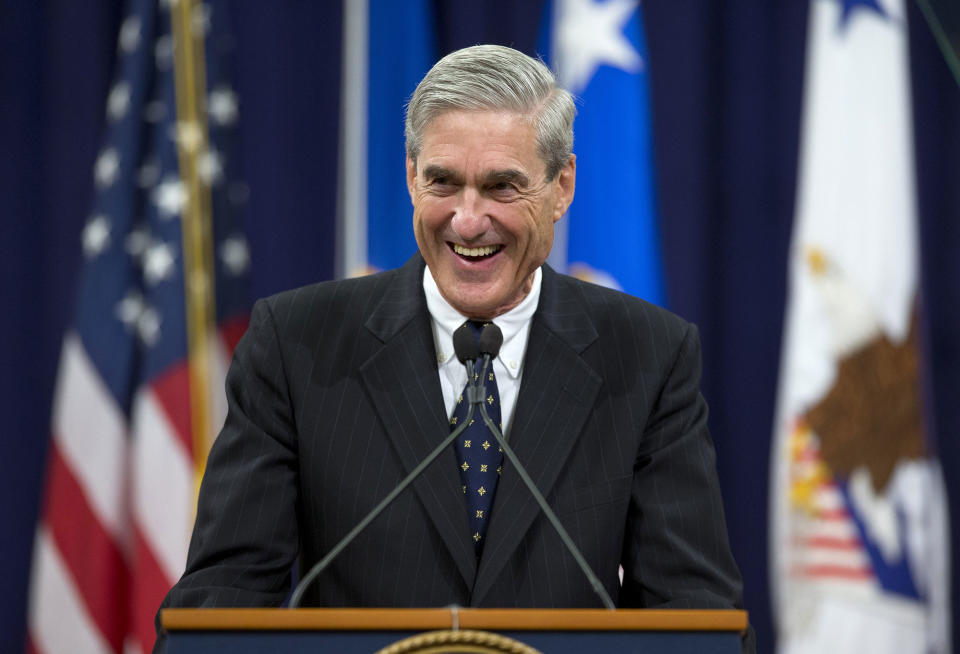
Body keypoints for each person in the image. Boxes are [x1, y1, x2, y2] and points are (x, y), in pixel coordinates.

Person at [157, 44, 752, 651]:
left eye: (501, 187)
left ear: (562, 185)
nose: (468, 221)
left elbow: (693, 616)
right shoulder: (297, 344)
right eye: (443, 181)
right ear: (411, 175)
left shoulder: (648, 356)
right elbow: (222, 603)